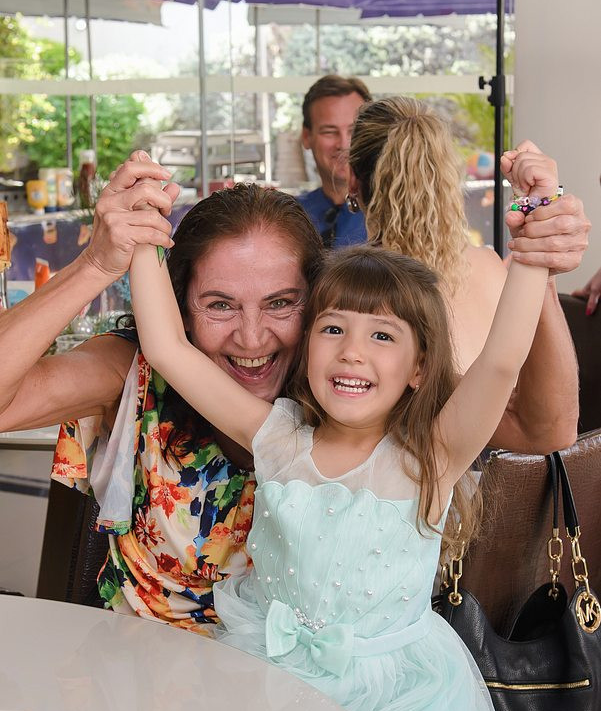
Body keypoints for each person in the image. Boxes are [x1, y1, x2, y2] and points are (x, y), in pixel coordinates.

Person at [0, 143, 587, 627]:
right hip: (154, 679)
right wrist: (103, 262)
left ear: (315, 301)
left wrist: (538, 251)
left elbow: (533, 411)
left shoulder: (395, 417)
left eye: (282, 303)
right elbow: (165, 347)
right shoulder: (174, 386)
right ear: (181, 306)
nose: (252, 337)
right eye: (220, 305)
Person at [128, 211, 547, 711]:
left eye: (382, 335)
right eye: (332, 329)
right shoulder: (277, 439)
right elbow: (168, 348)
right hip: (269, 678)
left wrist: (532, 253)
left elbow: (501, 362)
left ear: (420, 367)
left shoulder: (431, 458)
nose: (352, 352)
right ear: (308, 348)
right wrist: (141, 234)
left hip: (398, 702)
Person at [347, 96, 591, 452]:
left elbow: (546, 430)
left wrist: (541, 245)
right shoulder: (491, 266)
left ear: (353, 180)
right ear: (447, 179)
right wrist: (540, 237)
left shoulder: (355, 296)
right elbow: (552, 426)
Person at [298, 74, 371, 247]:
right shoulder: (289, 217)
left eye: (354, 131)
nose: (344, 144)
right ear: (306, 137)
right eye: (329, 132)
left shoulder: (396, 216)